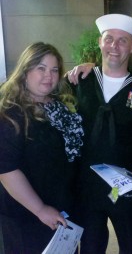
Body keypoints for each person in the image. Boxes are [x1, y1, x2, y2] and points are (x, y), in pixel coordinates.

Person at [67, 14, 132, 254]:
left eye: (122, 40)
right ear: (99, 42)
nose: (114, 47)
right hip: (86, 188)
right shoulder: (79, 81)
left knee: (129, 247)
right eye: (109, 39)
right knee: (91, 248)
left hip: (124, 186)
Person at [0, 42, 84, 253]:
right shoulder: (11, 114)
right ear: (25, 71)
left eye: (54, 70)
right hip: (28, 215)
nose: (49, 75)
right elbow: (6, 170)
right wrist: (40, 209)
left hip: (62, 210)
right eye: (41, 68)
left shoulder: (59, 106)